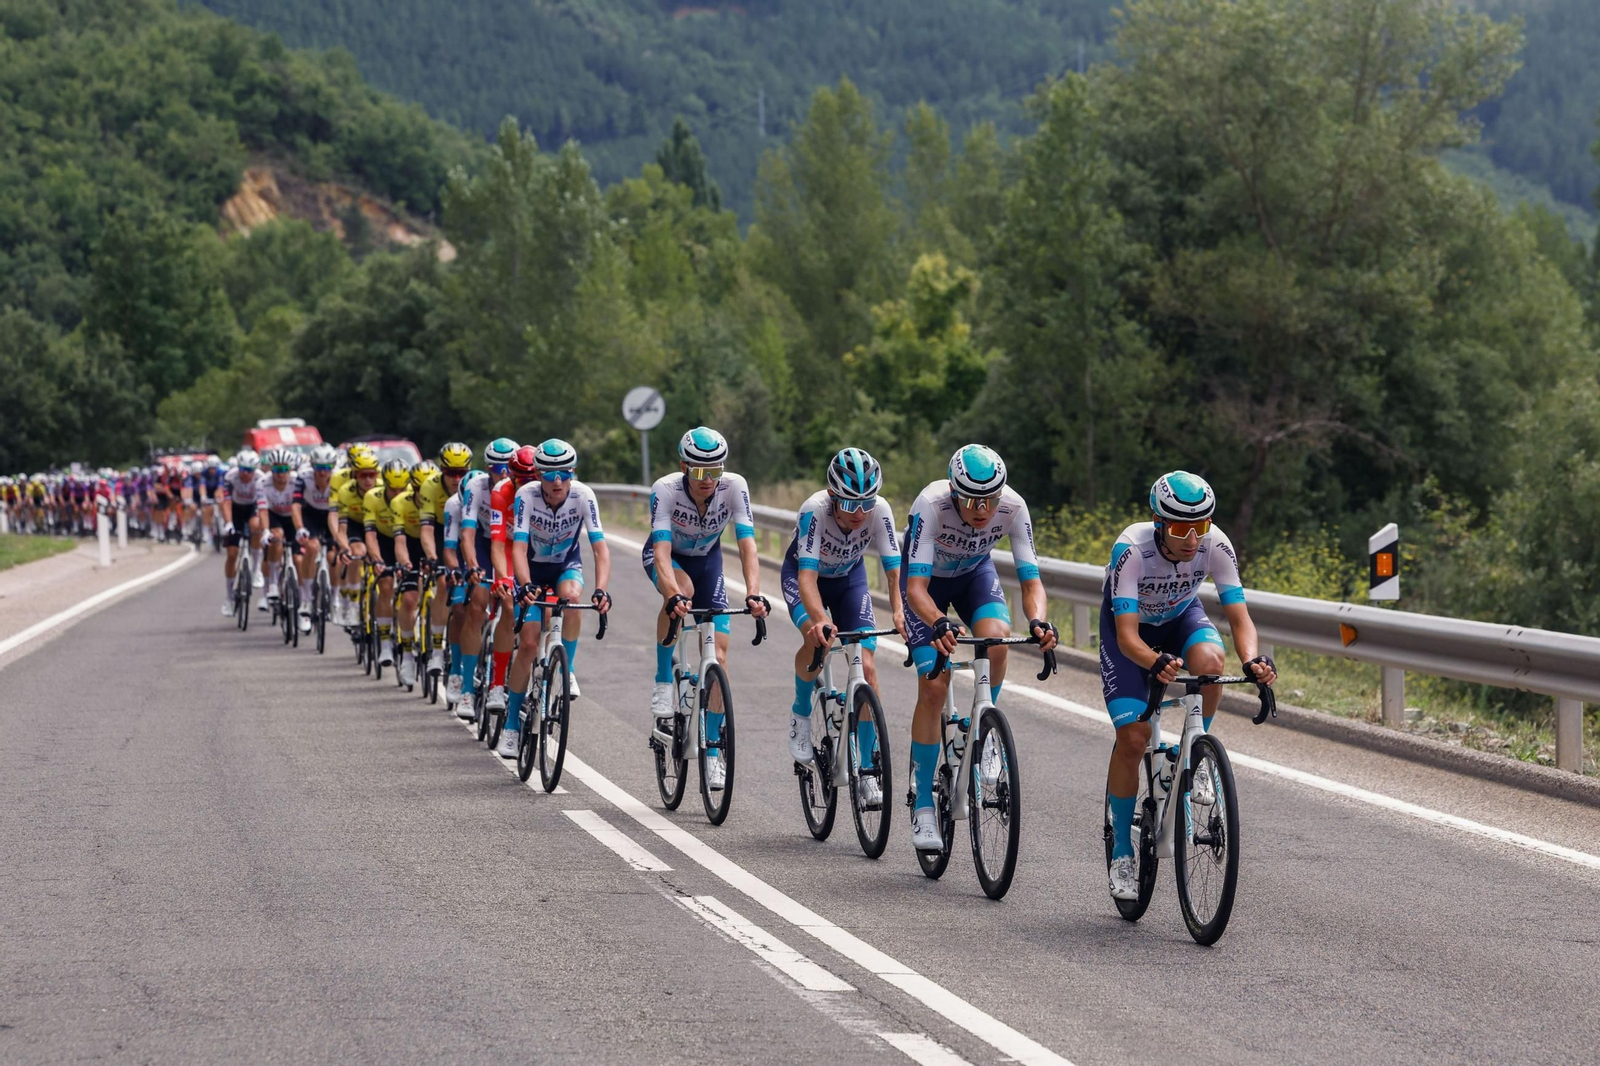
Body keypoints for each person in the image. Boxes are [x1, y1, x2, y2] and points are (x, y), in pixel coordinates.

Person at [1100, 471, 1276, 901]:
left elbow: (1239, 617)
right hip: (1131, 631)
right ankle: (1122, 849)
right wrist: (1153, 661)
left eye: (1201, 527)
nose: (1193, 538)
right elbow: (1127, 637)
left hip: (1180, 618)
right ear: (1159, 524)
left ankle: (1194, 752)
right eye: (1181, 529)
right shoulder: (1132, 548)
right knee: (1134, 737)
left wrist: (1252, 659)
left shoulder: (1216, 543)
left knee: (1211, 661)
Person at [901, 444, 1058, 852]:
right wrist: (937, 620)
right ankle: (921, 805)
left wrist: (1039, 620)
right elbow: (915, 589)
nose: (982, 509)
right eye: (972, 499)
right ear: (954, 493)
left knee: (998, 638)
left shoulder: (1013, 506)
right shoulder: (930, 506)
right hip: (926, 585)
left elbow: (1030, 581)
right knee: (935, 684)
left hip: (974, 575)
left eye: (990, 499)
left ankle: (983, 730)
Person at [644, 427, 769, 792]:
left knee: (720, 655)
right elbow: (662, 550)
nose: (707, 480)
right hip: (667, 558)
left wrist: (754, 593)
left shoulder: (734, 487)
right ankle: (664, 681)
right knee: (681, 593)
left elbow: (747, 544)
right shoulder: (665, 490)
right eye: (699, 472)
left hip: (708, 560)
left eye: (715, 471)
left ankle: (713, 752)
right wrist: (671, 594)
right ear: (684, 466)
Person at [780, 448, 905, 810]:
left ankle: (867, 770)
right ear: (833, 497)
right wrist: (819, 619)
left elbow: (894, 570)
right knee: (815, 641)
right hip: (808, 579)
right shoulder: (813, 510)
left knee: (866, 666)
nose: (860, 514)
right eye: (850, 506)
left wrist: (899, 612)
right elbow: (806, 577)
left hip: (850, 579)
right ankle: (801, 712)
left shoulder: (878, 511)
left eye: (867, 503)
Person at [494, 439, 612, 758]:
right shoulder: (525, 496)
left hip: (564, 565)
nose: (557, 481)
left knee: (572, 598)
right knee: (530, 644)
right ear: (538, 474)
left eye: (564, 473)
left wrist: (601, 589)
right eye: (548, 474)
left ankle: (566, 667)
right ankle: (511, 726)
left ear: (572, 472)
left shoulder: (584, 496)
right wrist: (525, 584)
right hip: (532, 567)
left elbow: (600, 549)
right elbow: (517, 548)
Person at [456, 438, 519, 715]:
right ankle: (467, 689)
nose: (502, 474)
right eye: (496, 468)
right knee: (477, 605)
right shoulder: (476, 486)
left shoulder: (523, 488)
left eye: (508, 468)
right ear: (486, 468)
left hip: (513, 545)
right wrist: (472, 566)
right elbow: (467, 533)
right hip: (484, 543)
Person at [363, 458, 423, 683]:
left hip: (410, 540)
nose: (398, 492)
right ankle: (386, 642)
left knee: (416, 594)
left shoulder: (414, 495)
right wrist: (377, 559)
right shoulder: (373, 497)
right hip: (384, 541)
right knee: (386, 586)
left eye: (402, 488)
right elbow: (370, 535)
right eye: (393, 489)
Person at [218, 450, 263, 615]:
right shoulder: (230, 477)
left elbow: (262, 504)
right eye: (243, 469)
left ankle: (256, 567)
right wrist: (229, 523)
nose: (246, 473)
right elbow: (226, 502)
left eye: (249, 470)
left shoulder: (260, 478)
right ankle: (229, 597)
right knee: (231, 554)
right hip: (235, 510)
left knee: (256, 525)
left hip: (252, 507)